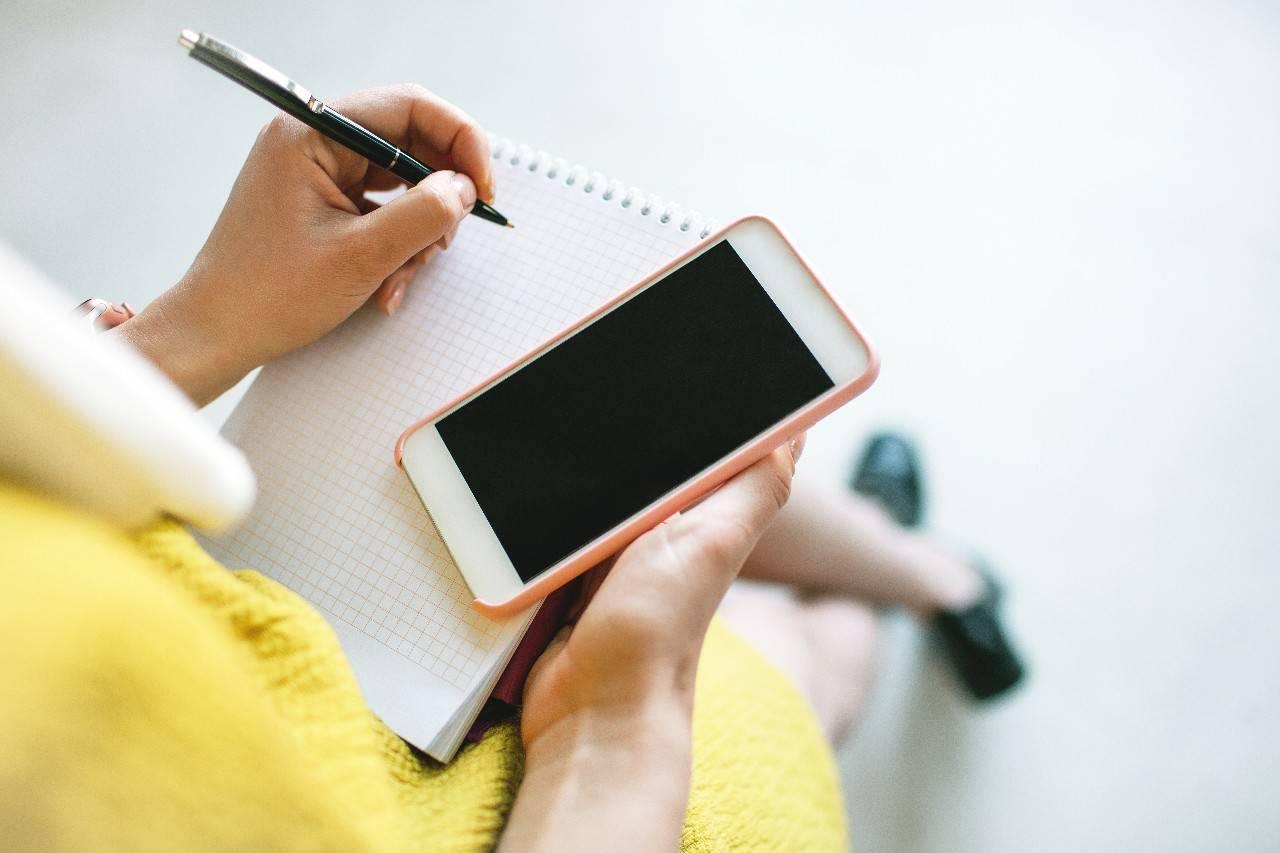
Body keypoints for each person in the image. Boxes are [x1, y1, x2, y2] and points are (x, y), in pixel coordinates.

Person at [0, 84, 1021, 851]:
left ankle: (918, 568)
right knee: (783, 643)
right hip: (525, 805)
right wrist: (613, 722)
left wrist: (190, 333)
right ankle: (923, 581)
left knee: (632, 452)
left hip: (225, 565)